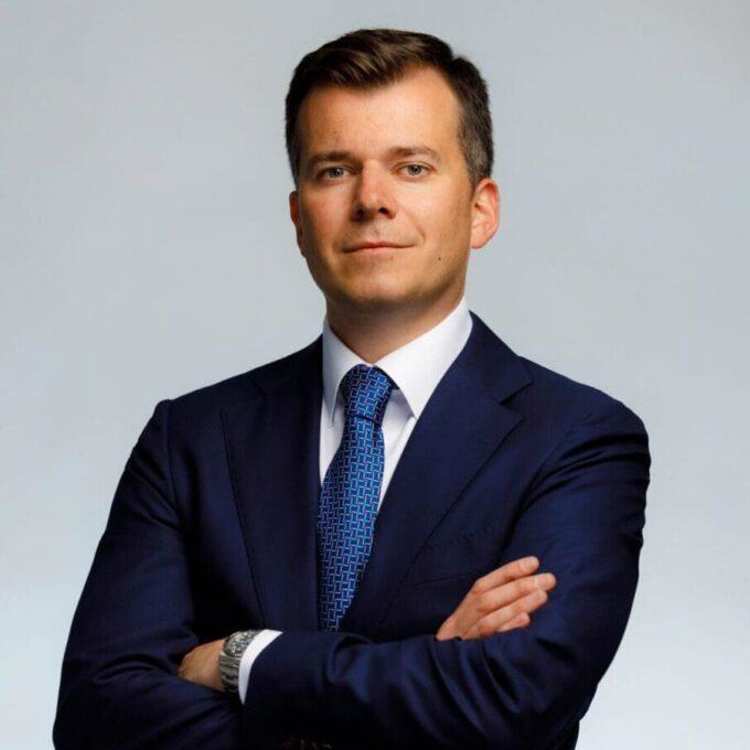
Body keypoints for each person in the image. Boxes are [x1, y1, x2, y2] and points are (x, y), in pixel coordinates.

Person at [53, 27, 651, 750]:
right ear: (299, 219)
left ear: (481, 209)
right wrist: (421, 679)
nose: (371, 199)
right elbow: (95, 715)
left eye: (412, 167)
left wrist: (246, 659)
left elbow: (513, 702)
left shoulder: (579, 440)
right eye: (335, 170)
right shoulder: (191, 441)